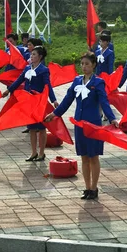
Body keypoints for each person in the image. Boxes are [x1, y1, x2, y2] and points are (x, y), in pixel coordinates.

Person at [45, 53, 118, 200]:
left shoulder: (98, 82)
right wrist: (54, 114)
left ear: (94, 65)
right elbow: (67, 100)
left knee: (94, 157)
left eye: (87, 64)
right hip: (79, 124)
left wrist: (112, 118)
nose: (84, 67)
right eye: (82, 64)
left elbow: (104, 102)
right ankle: (87, 187)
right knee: (84, 157)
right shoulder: (77, 81)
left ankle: (94, 187)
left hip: (93, 124)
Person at [2, 46, 58, 161]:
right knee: (32, 128)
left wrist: (54, 100)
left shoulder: (44, 70)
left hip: (39, 102)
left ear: (40, 57)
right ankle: (33, 152)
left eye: (34, 54)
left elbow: (48, 86)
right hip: (28, 102)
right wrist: (9, 90)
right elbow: (19, 80)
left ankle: (42, 153)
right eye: (31, 54)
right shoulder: (27, 68)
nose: (31, 56)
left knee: (42, 128)